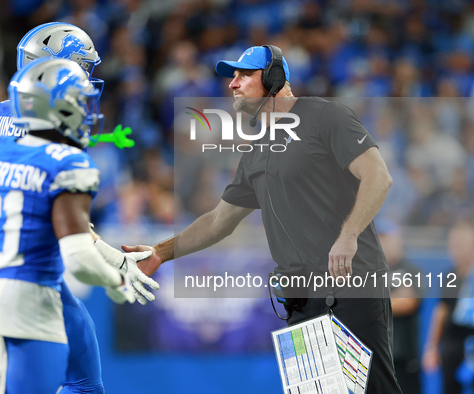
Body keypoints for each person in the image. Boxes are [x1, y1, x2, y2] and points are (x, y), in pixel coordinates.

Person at [124, 45, 401, 393]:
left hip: (351, 286)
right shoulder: (256, 148)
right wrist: (160, 253)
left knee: (371, 390)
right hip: (300, 298)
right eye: (232, 77)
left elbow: (378, 176)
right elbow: (218, 221)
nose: (233, 85)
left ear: (273, 78)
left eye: (243, 75)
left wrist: (349, 234)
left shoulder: (326, 116)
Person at [0, 23, 158, 394]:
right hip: (32, 283)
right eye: (82, 70)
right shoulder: (61, 155)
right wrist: (114, 271)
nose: (87, 84)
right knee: (84, 382)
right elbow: (66, 232)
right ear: (53, 70)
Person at [422, 220, 474, 393]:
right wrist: (431, 347)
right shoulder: (450, 276)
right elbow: (441, 310)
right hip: (452, 344)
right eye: (453, 243)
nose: (454, 248)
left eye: (460, 243)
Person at [377, 218, 422, 394]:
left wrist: (374, 304)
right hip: (378, 357)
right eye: (380, 237)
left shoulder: (410, 270)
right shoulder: (371, 273)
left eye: (388, 237)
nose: (384, 243)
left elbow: (407, 302)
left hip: (403, 358)